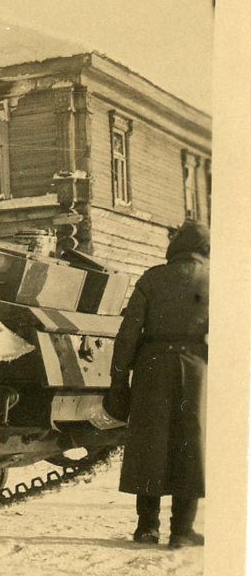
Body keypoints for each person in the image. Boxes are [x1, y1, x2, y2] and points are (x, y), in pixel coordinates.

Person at [108, 221, 208, 548]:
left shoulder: (151, 278)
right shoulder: (213, 280)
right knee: (189, 445)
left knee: (149, 444)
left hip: (151, 368)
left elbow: (127, 335)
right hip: (194, 369)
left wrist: (119, 380)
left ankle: (147, 527)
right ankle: (181, 531)